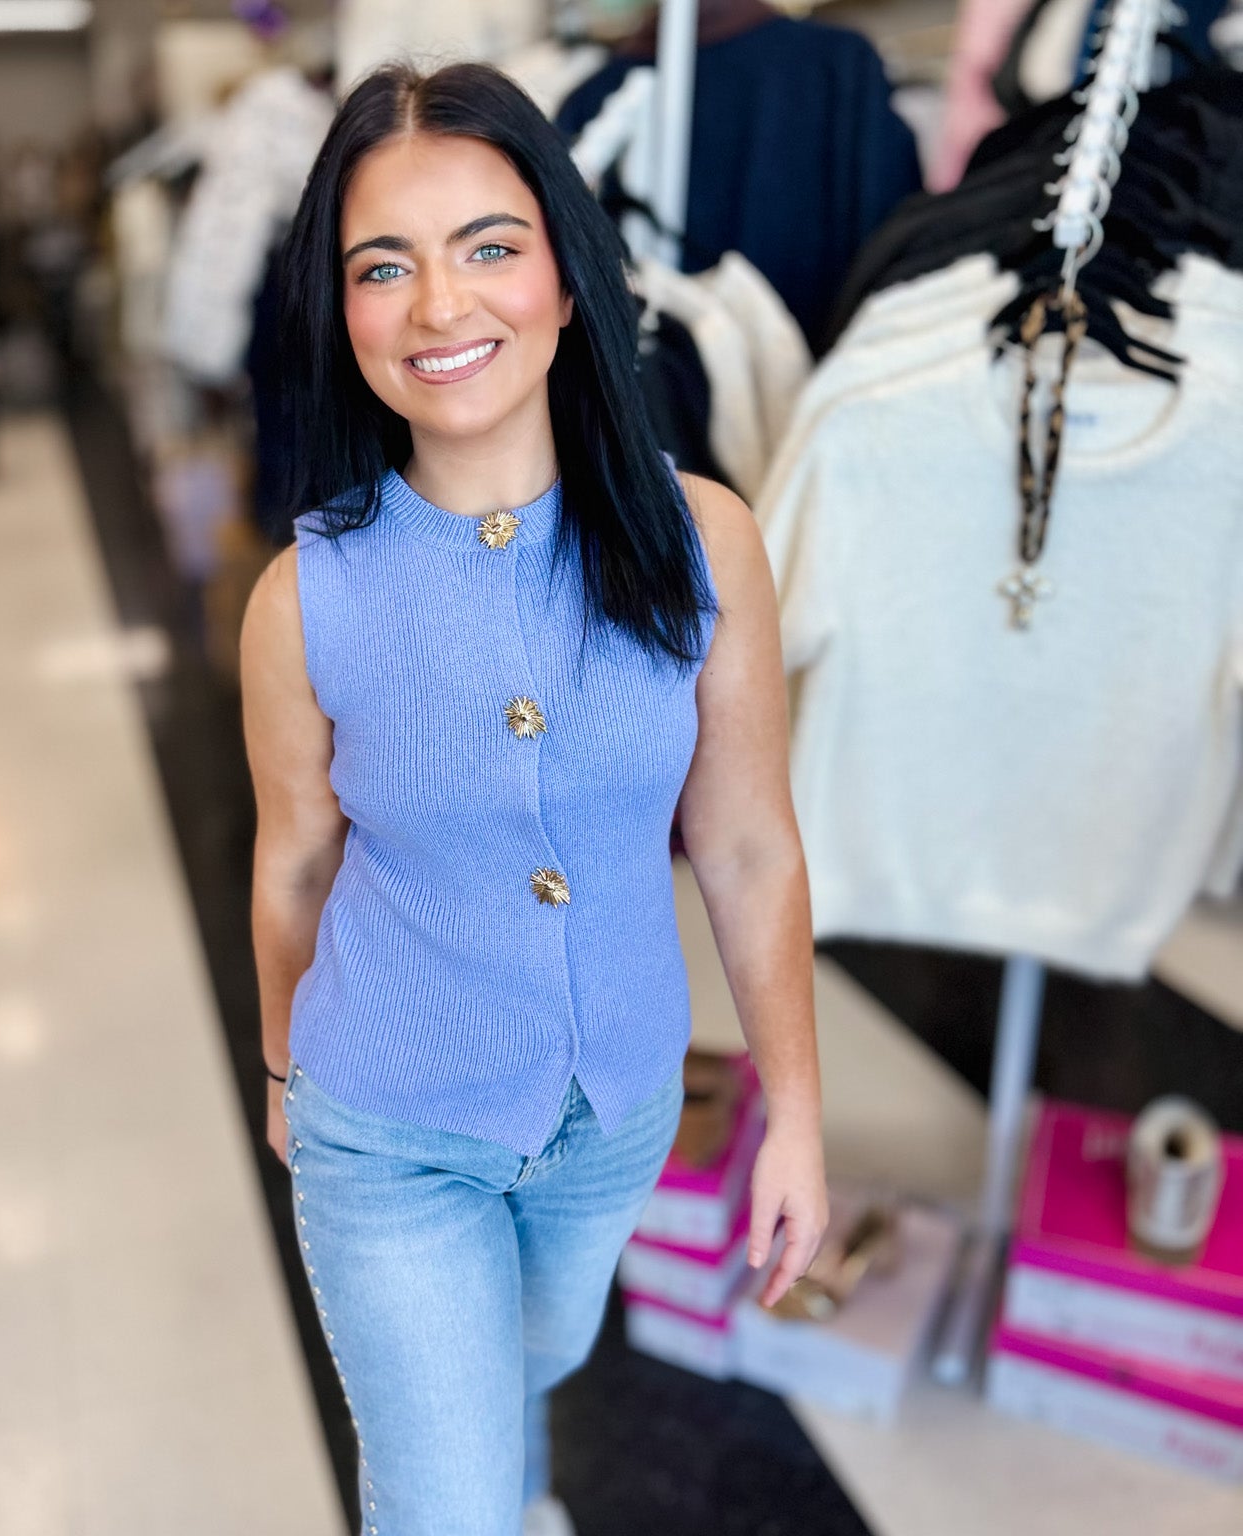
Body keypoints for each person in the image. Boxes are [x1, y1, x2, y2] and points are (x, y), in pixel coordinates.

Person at [240, 61, 826, 1536]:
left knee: (524, 1367)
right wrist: (283, 1074)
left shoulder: (702, 544)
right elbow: (294, 867)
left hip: (612, 1111)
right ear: (343, 312)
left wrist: (798, 1118)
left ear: (567, 280)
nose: (440, 306)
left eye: (488, 247)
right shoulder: (303, 598)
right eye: (384, 267)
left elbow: (749, 849)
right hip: (385, 1124)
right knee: (441, 1501)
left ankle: (514, 1484)